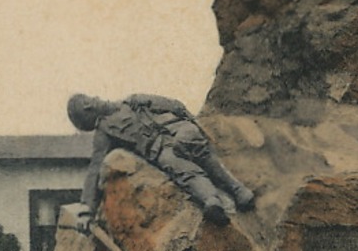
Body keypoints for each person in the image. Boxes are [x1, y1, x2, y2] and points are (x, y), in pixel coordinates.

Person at [67, 92, 255, 227]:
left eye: (90, 99)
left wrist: (184, 113)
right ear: (89, 113)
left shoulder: (130, 101)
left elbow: (164, 103)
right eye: (88, 105)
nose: (95, 101)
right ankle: (211, 201)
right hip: (160, 148)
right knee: (182, 169)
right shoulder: (104, 133)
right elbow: (95, 168)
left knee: (196, 146)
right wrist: (87, 209)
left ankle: (238, 190)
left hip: (176, 129)